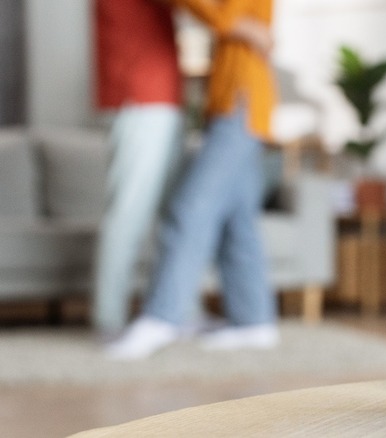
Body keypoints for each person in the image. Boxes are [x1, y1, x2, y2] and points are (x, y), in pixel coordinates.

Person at [105, 0, 279, 360]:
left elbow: (225, 16)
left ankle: (161, 317)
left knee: (189, 206)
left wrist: (236, 25)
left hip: (243, 100)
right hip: (231, 101)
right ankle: (254, 321)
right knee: (237, 219)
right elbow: (234, 23)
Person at [92, 0, 185, 335]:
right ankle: (109, 321)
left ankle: (172, 312)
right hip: (140, 94)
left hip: (161, 95)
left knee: (173, 214)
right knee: (128, 214)